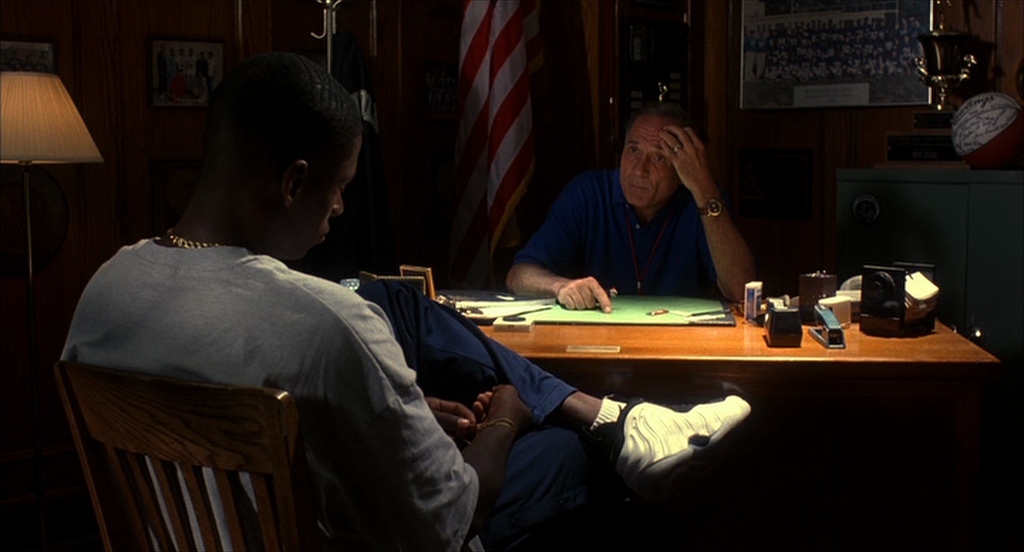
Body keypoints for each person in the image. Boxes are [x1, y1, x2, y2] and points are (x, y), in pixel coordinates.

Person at [62, 52, 750, 551]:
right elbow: (449, 519)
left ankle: (613, 422)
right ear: (295, 183)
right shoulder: (326, 324)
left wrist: (405, 410)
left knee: (387, 297)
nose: (338, 210)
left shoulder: (103, 289)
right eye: (342, 187)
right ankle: (613, 427)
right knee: (569, 455)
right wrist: (504, 422)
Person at [506, 102, 757, 313]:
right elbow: (519, 275)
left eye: (659, 157)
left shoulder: (704, 201)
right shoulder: (587, 193)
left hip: (680, 349)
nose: (639, 169)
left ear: (683, 168)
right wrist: (559, 286)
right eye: (633, 150)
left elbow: (742, 290)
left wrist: (704, 188)